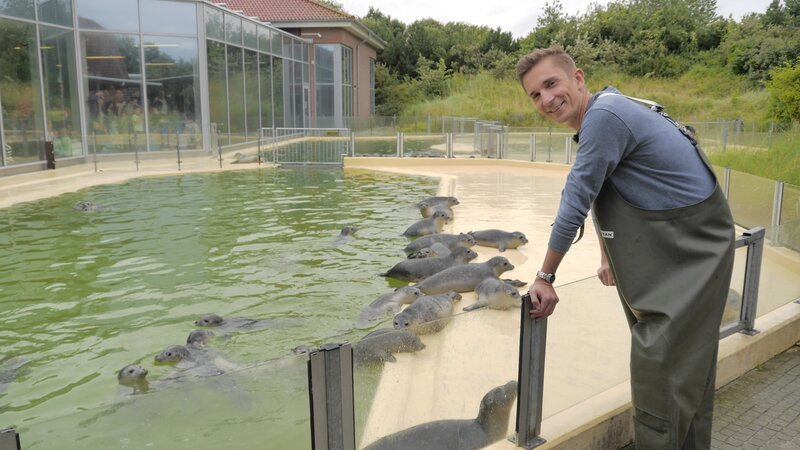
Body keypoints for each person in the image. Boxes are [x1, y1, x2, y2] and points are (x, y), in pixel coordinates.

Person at [516, 47, 735, 449]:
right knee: (690, 373)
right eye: (535, 94)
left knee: (660, 375)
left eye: (551, 84)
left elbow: (576, 200)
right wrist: (606, 254)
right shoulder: (612, 103)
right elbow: (612, 185)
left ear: (577, 78)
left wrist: (545, 276)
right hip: (682, 246)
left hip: (691, 252)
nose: (546, 99)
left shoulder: (603, 118)